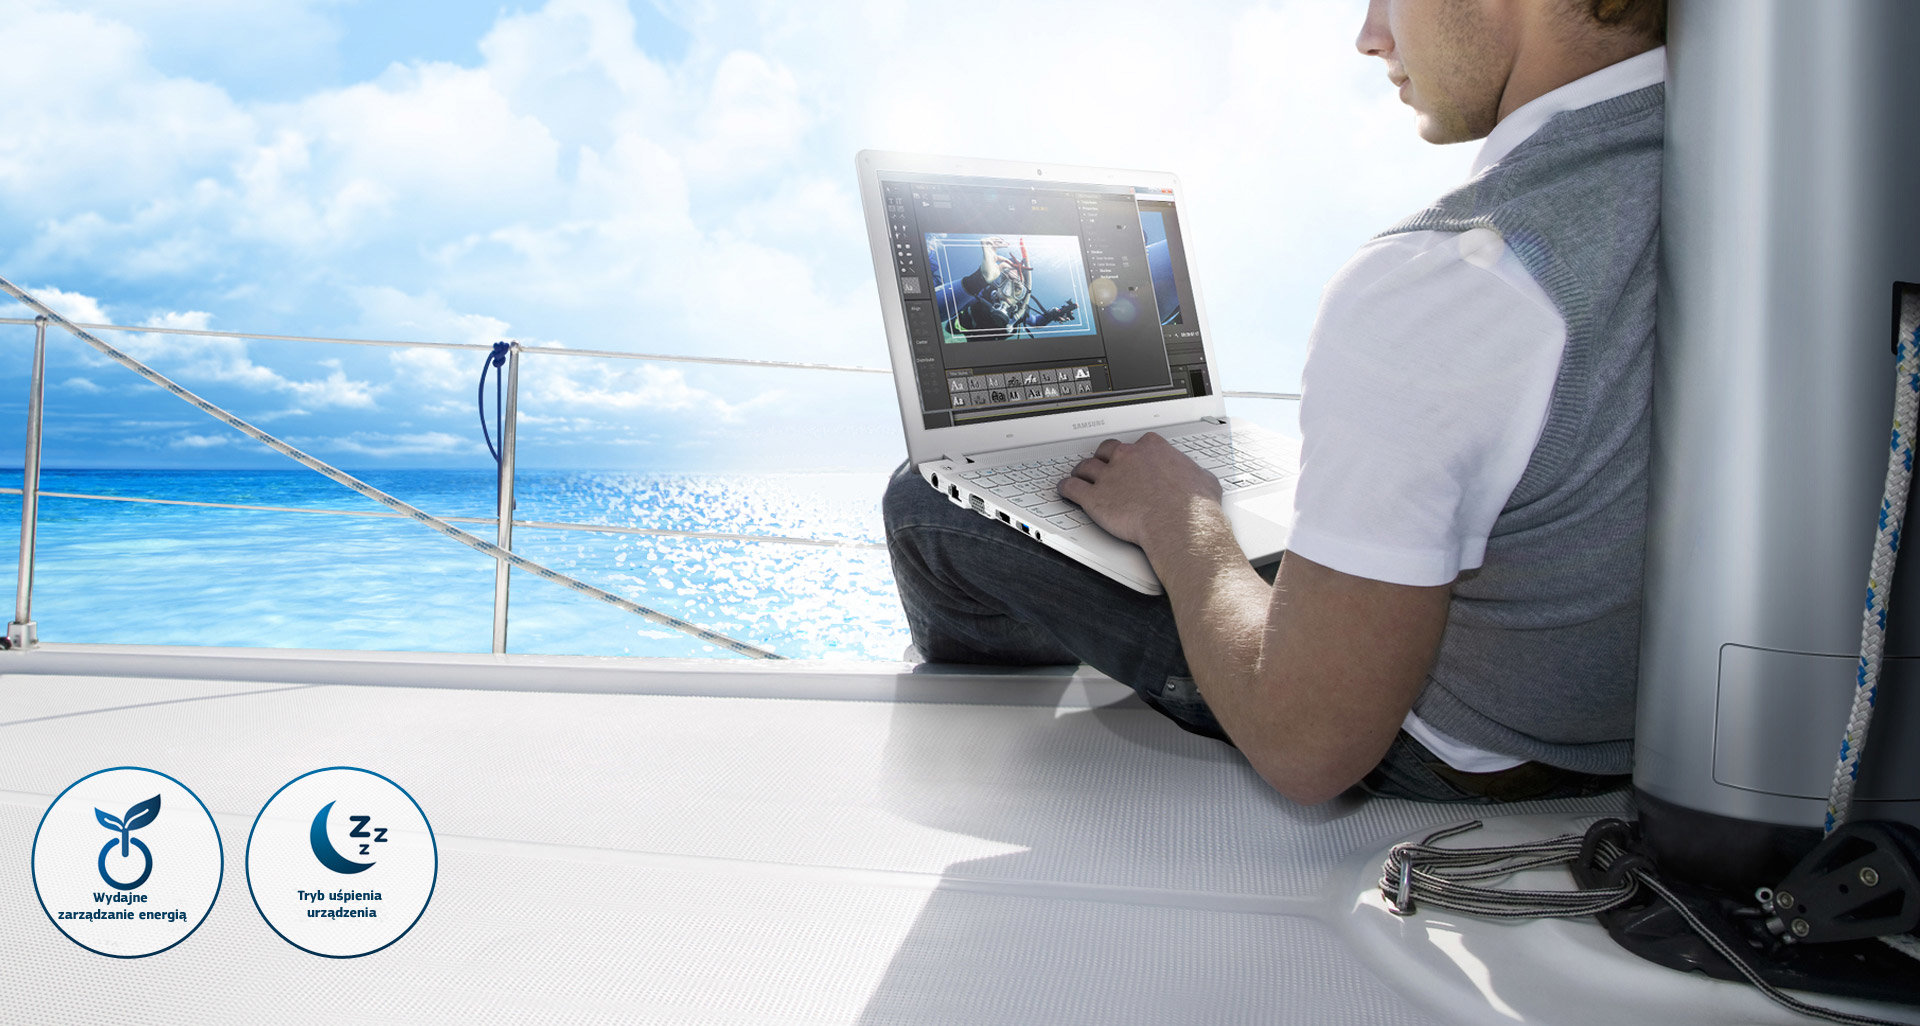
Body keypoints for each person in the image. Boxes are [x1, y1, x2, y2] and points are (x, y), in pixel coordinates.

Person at [882, 0, 1668, 805]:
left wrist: (1180, 519)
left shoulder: (1455, 274)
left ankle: (990, 756)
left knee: (925, 504)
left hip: (1464, 752)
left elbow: (1307, 748)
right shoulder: (1702, 163)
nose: (1369, 36)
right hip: (1634, 725)